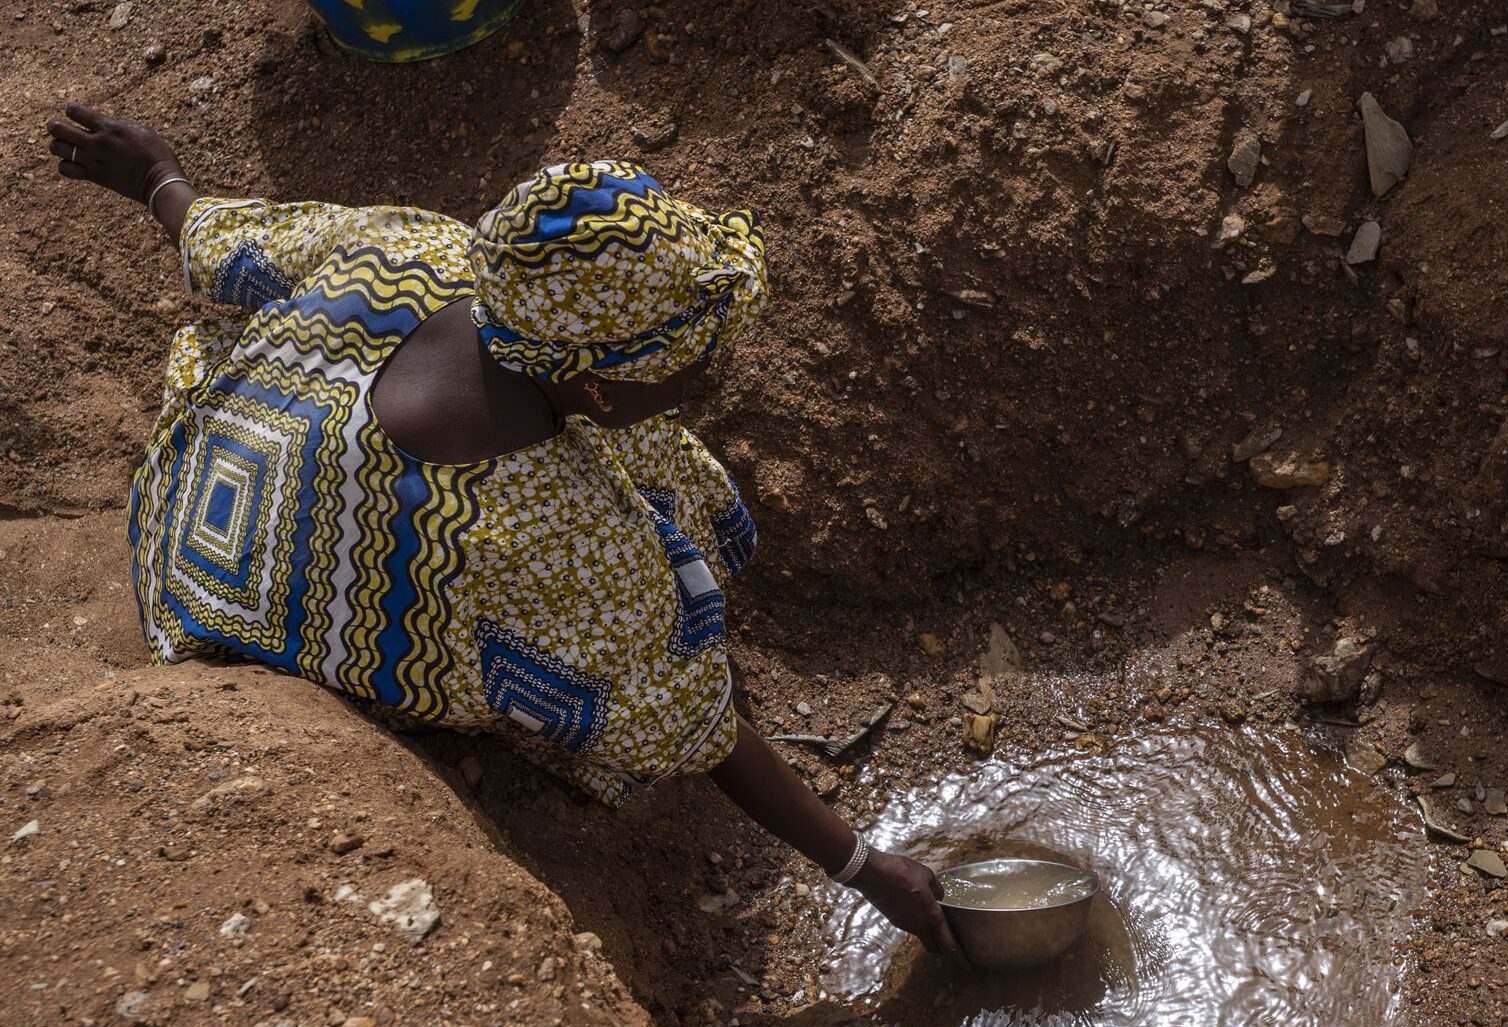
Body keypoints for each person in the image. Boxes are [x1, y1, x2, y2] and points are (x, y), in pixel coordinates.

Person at [45, 103, 961, 959]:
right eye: (688, 359)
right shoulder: (549, 534)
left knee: (653, 462)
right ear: (598, 382)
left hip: (226, 487)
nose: (712, 369)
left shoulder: (423, 249)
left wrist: (159, 177)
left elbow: (236, 248)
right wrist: (863, 867)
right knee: (612, 651)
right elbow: (696, 727)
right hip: (258, 611)